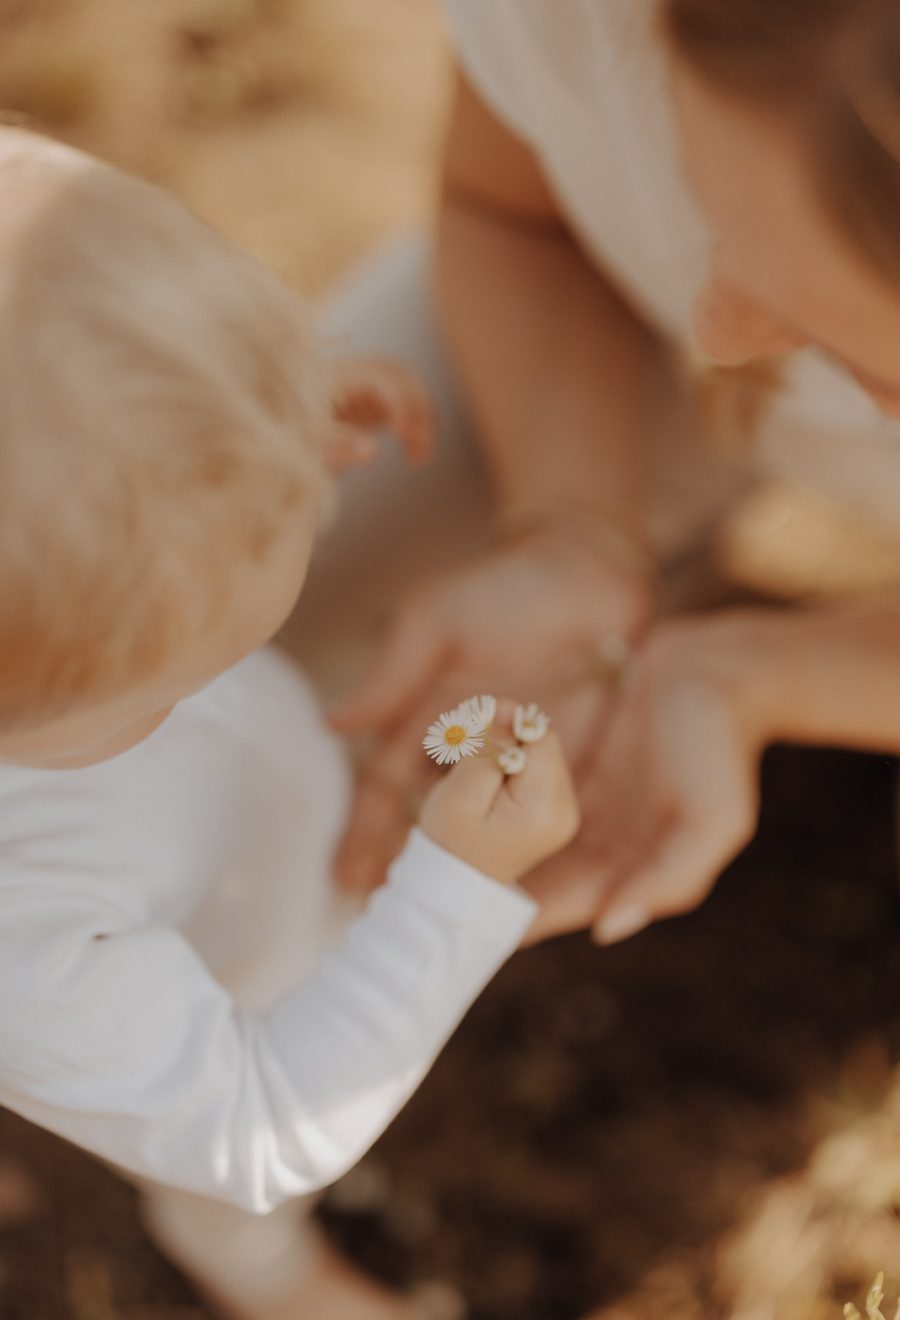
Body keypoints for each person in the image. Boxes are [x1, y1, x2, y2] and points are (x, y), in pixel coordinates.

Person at [0, 128, 580, 1320]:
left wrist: (260, 410)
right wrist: (458, 886)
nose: (309, 502)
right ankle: (275, 1284)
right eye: (193, 663)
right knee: (237, 1205)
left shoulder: (57, 590)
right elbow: (258, 1123)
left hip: (268, 862)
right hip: (251, 1017)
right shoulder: (29, 940)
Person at [326, 0, 900, 948]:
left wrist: (770, 677)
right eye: (710, 210)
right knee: (258, 582)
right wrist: (571, 525)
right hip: (601, 318)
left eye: (873, 361)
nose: (718, 335)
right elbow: (505, 207)